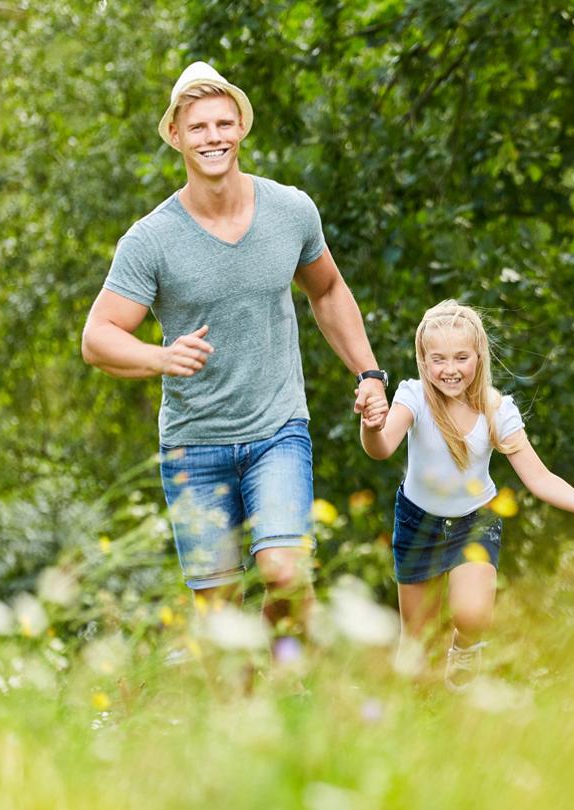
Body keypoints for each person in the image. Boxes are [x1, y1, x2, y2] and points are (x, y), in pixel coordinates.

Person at [82, 62, 390, 647]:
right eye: (198, 127)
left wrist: (369, 373)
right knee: (221, 618)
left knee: (285, 573)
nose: (213, 137)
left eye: (224, 123)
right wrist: (160, 357)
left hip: (278, 429)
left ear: (242, 127)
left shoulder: (290, 211)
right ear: (176, 135)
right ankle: (248, 701)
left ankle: (287, 673)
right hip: (194, 444)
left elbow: (327, 289)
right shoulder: (150, 240)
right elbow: (97, 337)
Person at [359, 301, 574, 688]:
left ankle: (465, 649)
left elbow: (539, 478)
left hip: (474, 522)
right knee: (417, 642)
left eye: (461, 357)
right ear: (424, 361)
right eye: (439, 359)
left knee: (473, 615)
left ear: (479, 356)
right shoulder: (414, 398)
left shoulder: (497, 410)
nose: (450, 369)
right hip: (417, 522)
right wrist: (370, 425)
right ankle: (418, 704)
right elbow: (381, 448)